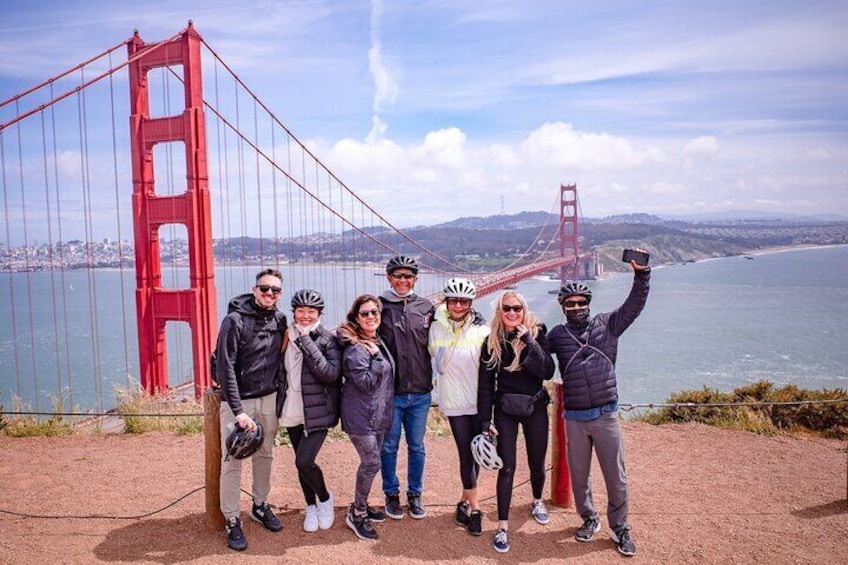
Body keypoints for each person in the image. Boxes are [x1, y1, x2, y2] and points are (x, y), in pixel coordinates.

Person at [546, 254, 651, 557]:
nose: (576, 308)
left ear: (588, 304)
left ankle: (620, 528)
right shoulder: (557, 335)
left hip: (605, 414)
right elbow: (537, 357)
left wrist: (642, 276)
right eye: (570, 304)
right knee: (580, 477)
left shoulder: (608, 325)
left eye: (581, 303)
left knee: (615, 477)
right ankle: (589, 519)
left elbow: (634, 305)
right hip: (575, 417)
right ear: (563, 308)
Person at [215, 268, 287, 551]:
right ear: (254, 289)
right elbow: (225, 367)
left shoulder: (280, 319)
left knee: (265, 455)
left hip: (268, 399)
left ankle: (259, 505)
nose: (269, 294)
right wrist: (238, 410)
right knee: (233, 461)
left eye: (275, 290)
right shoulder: (234, 321)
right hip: (239, 403)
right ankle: (232, 518)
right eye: (264, 288)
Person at [478, 290, 555, 554]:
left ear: (524, 310)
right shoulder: (491, 342)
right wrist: (484, 421)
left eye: (517, 308)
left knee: (537, 462)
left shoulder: (538, 332)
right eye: (507, 308)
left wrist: (529, 342)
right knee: (507, 467)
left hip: (535, 406)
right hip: (505, 410)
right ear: (500, 312)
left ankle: (536, 501)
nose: (512, 313)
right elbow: (485, 386)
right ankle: (502, 527)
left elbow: (546, 371)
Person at [428, 277, 490, 536]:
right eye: (454, 300)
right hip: (454, 403)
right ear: (446, 301)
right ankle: (475, 509)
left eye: (464, 301)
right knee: (466, 454)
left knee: (477, 455)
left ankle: (464, 500)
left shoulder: (482, 330)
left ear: (471, 302)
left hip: (479, 402)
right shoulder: (434, 328)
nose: (458, 305)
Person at [279, 289, 342, 533]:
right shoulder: (284, 336)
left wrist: (306, 340)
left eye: (311, 311)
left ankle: (325, 499)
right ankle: (310, 506)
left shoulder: (328, 339)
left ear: (319, 314)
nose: (305, 316)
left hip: (318, 412)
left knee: (304, 461)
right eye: (301, 311)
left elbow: (330, 374)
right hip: (291, 408)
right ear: (294, 312)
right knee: (299, 463)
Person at [378, 255, 435, 520]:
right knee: (389, 447)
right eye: (398, 276)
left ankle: (415, 494)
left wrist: (475, 318)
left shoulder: (427, 307)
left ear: (415, 279)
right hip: (391, 392)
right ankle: (391, 494)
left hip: (421, 392)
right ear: (389, 278)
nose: (403, 280)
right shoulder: (377, 307)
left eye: (408, 276)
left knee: (417, 446)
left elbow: (450, 327)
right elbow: (356, 329)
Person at [338, 294, 396, 541]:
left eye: (375, 312)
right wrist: (378, 359)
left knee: (373, 462)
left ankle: (361, 503)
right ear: (356, 318)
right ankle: (357, 513)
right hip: (361, 418)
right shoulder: (356, 349)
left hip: (377, 414)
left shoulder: (375, 341)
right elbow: (366, 383)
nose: (371, 316)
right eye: (365, 313)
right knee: (372, 463)